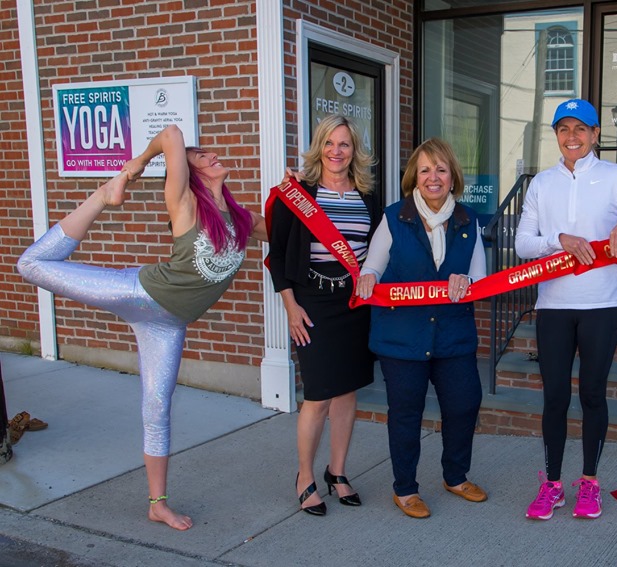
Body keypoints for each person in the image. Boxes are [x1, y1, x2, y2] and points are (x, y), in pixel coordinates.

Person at [17, 124, 267, 530]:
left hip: (167, 326)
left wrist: (297, 193)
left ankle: (157, 504)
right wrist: (137, 164)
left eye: (207, 153)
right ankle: (101, 195)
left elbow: (287, 233)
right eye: (199, 157)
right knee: (30, 265)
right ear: (190, 175)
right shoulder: (184, 202)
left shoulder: (243, 219)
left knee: (156, 408)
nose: (210, 156)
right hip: (139, 294)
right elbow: (170, 133)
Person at [515, 98, 617, 521]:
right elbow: (522, 244)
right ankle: (552, 484)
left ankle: (589, 483)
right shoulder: (541, 184)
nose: (571, 137)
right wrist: (559, 239)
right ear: (556, 135)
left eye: (580, 129)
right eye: (563, 129)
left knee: (592, 394)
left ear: (595, 135)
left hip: (602, 304)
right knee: (554, 397)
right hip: (553, 305)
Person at [355, 138, 487, 519]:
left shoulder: (468, 220)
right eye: (426, 169)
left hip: (453, 335)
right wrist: (366, 277)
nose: (434, 177)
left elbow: (479, 276)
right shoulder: (395, 216)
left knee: (463, 406)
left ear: (452, 177)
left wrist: (466, 280)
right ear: (415, 175)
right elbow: (374, 266)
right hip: (402, 337)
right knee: (406, 413)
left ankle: (456, 476)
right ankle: (405, 489)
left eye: (441, 170)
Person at [268, 115, 379, 516]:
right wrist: (290, 305)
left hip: (353, 304)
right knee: (317, 395)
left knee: (347, 390)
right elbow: (277, 254)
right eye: (330, 143)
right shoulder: (297, 193)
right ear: (319, 147)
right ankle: (304, 477)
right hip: (312, 303)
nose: (336, 151)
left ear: (355, 151)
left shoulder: (367, 196)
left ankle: (338, 471)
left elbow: (377, 251)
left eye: (344, 144)